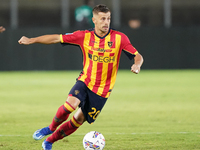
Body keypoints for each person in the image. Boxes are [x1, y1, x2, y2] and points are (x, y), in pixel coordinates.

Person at [18, 4, 144, 150]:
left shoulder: (119, 38)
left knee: (78, 119)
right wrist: (31, 40)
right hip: (86, 80)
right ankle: (50, 128)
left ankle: (49, 141)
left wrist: (137, 65)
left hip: (102, 90)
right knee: (69, 105)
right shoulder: (84, 36)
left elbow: (138, 56)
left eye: (108, 19)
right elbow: (56, 38)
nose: (106, 22)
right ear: (94, 20)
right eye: (102, 19)